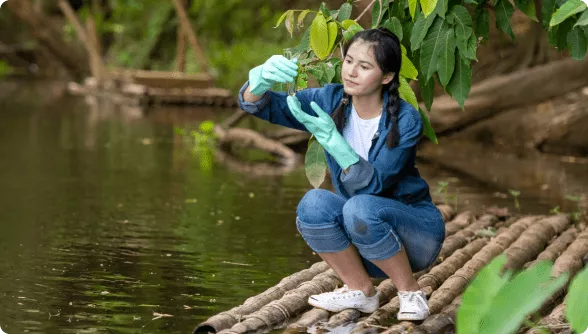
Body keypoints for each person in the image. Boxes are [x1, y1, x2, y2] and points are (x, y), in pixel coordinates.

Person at [238, 27, 445, 321]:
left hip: (416, 237)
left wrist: (335, 141)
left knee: (359, 206)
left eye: (364, 66)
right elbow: (270, 107)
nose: (351, 72)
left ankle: (410, 292)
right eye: (348, 61)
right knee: (313, 204)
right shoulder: (332, 100)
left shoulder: (405, 119)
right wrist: (258, 82)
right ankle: (361, 290)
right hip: (366, 240)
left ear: (386, 77)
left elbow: (375, 184)